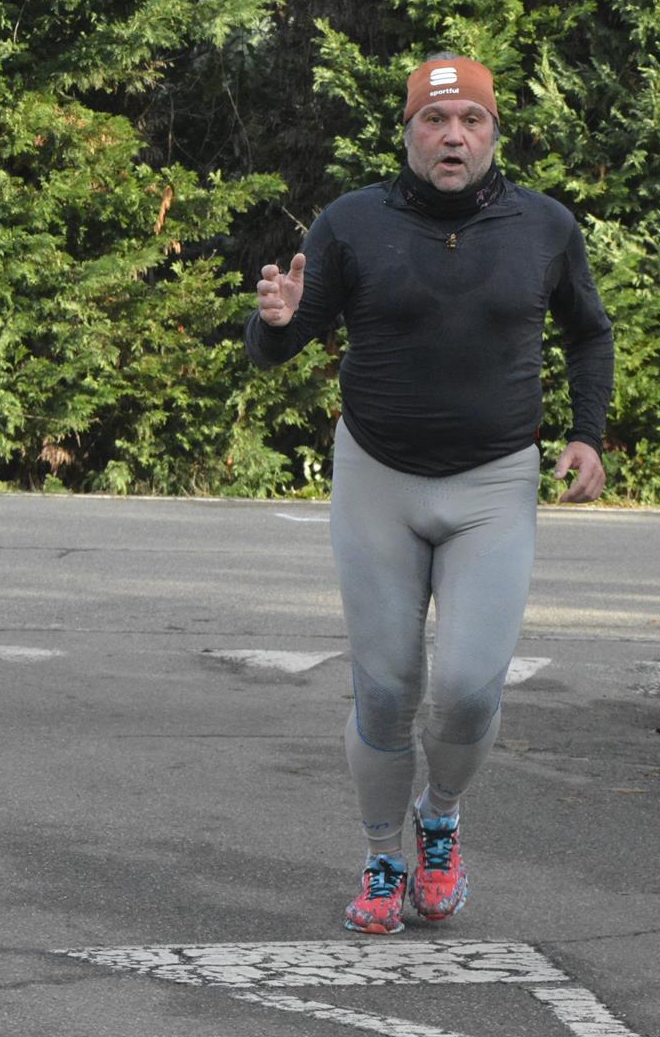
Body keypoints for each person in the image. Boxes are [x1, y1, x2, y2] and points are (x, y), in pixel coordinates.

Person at [245, 54, 614, 935]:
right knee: (386, 689)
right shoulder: (352, 224)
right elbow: (276, 350)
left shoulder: (545, 226)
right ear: (408, 133)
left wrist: (588, 434)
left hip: (494, 482)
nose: (453, 137)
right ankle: (382, 857)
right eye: (435, 121)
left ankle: (439, 818)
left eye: (471, 121)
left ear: (494, 134)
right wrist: (274, 321)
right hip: (378, 476)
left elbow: (589, 334)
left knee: (469, 688)